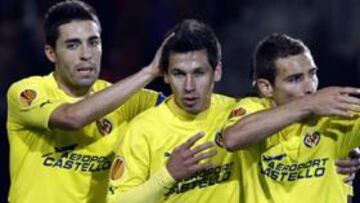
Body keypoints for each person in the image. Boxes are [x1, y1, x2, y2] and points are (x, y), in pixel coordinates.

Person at [6, 1, 168, 202]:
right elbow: (72, 117)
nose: (86, 54)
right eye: (72, 45)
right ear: (51, 53)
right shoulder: (27, 92)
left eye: (93, 42)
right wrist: (150, 71)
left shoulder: (123, 97)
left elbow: (184, 109)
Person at [106, 19, 241, 203]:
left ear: (217, 72)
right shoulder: (143, 128)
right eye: (179, 74)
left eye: (199, 73)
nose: (189, 86)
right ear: (166, 76)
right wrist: (168, 175)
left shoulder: (236, 115)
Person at [222, 33, 360, 203]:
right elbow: (232, 139)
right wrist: (308, 105)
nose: (309, 87)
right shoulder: (254, 108)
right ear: (266, 88)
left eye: (312, 74)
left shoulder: (336, 116)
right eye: (295, 79)